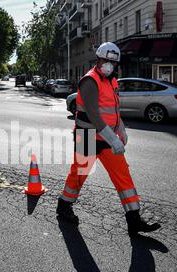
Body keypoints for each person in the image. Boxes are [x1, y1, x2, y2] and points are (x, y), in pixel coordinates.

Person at [56, 42, 161, 236]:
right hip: (87, 136)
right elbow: (95, 115)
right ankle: (64, 206)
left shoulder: (112, 81)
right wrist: (113, 139)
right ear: (98, 59)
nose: (110, 65)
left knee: (123, 176)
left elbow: (113, 109)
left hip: (107, 136)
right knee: (78, 175)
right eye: (107, 61)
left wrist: (121, 129)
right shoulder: (90, 81)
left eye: (113, 62)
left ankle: (134, 220)